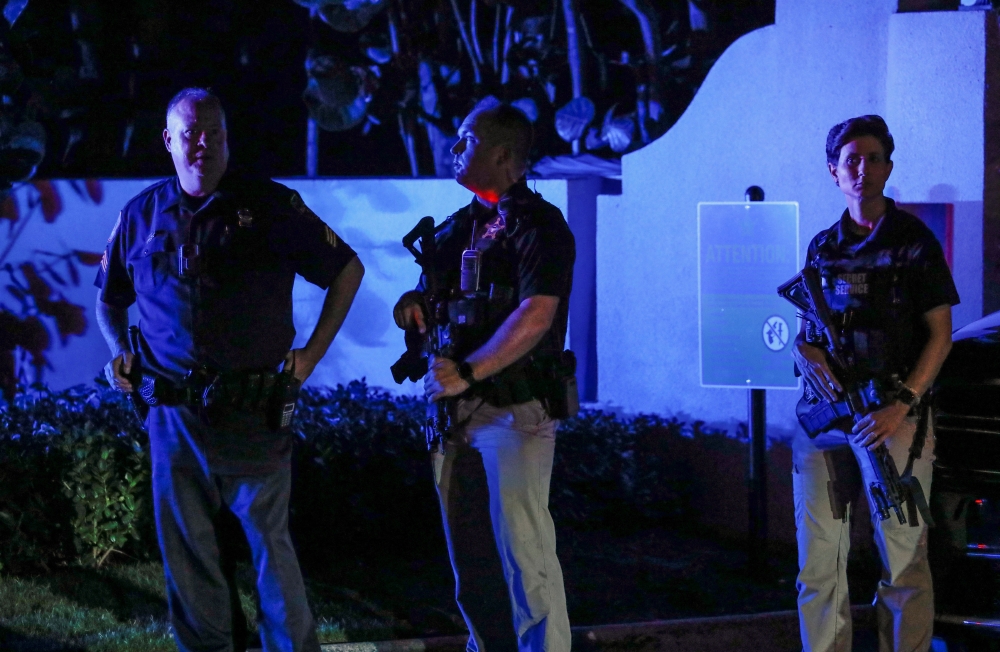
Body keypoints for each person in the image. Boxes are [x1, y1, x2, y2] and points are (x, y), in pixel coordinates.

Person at [95, 87, 364, 652]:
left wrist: (311, 355)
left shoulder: (271, 206)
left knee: (270, 552)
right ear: (168, 141)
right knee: (189, 557)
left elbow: (347, 270)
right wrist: (120, 349)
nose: (204, 143)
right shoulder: (141, 214)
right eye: (191, 133)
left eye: (214, 132)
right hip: (172, 418)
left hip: (253, 415)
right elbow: (108, 298)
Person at [393, 97, 574, 651]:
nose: (454, 148)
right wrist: (411, 306)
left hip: (513, 413)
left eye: (466, 139)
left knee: (526, 561)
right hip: (452, 417)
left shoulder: (540, 225)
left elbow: (536, 315)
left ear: (502, 154)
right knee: (472, 570)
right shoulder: (456, 229)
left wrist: (467, 372)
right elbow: (431, 300)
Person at [791, 115, 958, 652]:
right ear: (834, 171)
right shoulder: (823, 246)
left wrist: (902, 404)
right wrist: (803, 349)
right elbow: (807, 329)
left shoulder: (913, 242)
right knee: (817, 564)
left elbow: (940, 334)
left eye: (873, 159)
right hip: (826, 420)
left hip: (892, 420)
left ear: (888, 167)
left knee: (904, 561)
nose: (862, 169)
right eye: (851, 160)